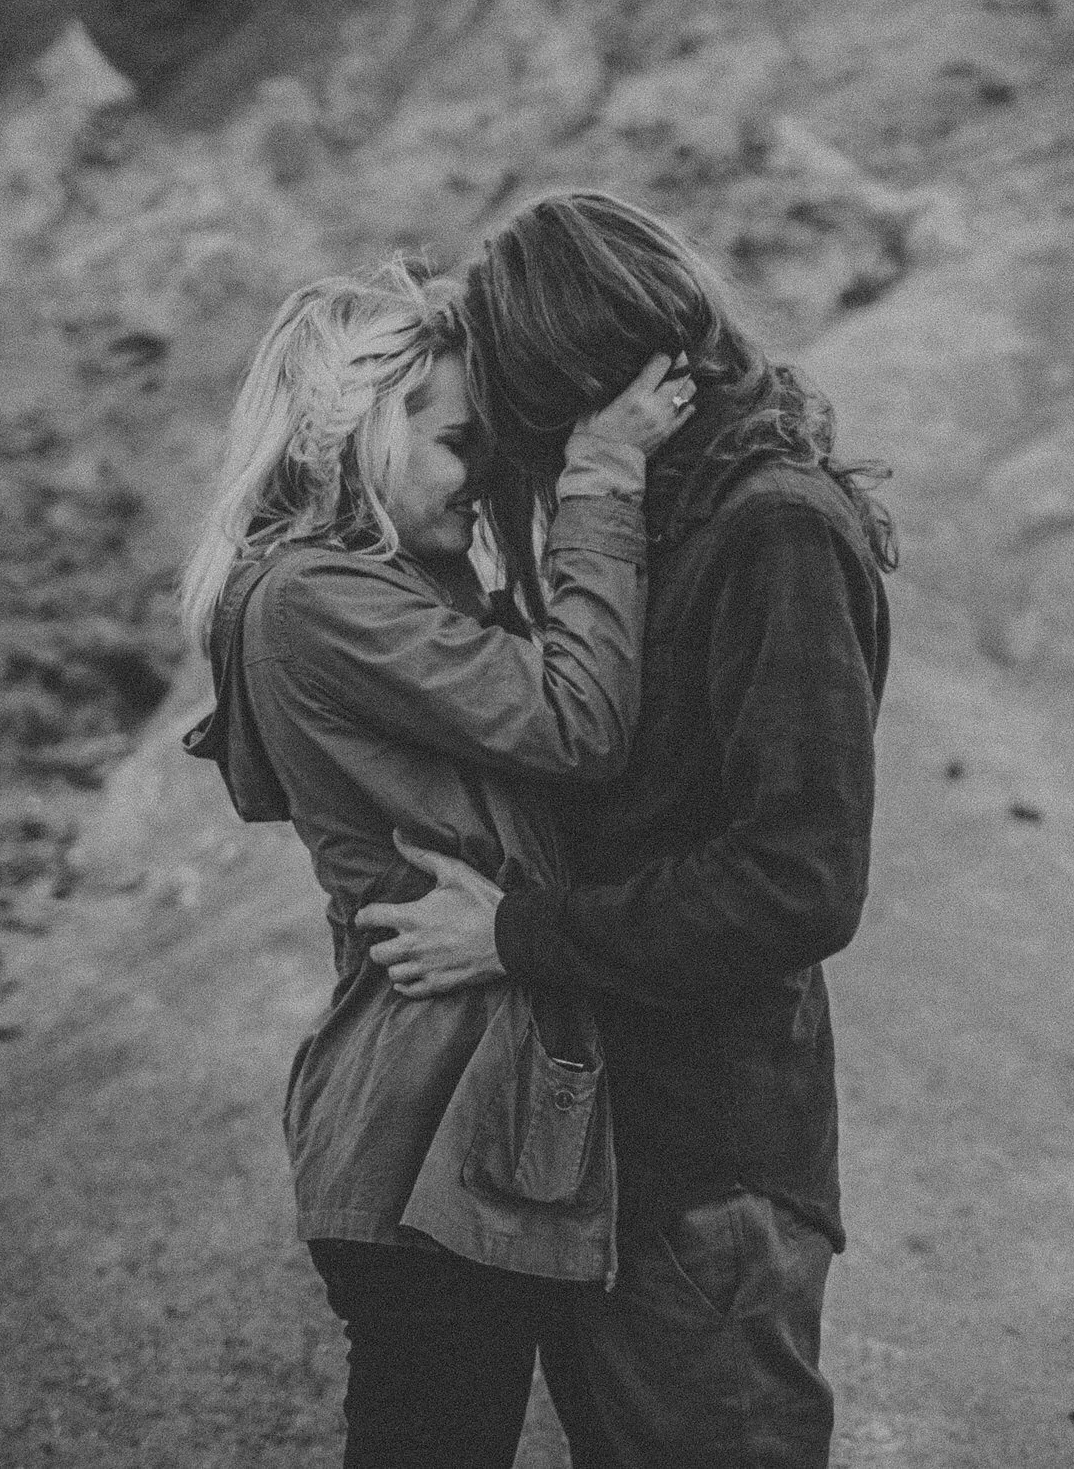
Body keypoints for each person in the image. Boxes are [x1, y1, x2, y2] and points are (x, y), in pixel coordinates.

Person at [358, 192, 895, 1469]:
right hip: (635, 1150)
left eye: (518, 426)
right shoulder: (678, 519)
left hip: (714, 1171)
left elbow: (799, 881)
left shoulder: (773, 530)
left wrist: (511, 933)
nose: (510, 467)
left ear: (582, 389)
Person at [175, 260, 693, 1469]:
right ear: (358, 430)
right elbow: (578, 722)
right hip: (424, 1121)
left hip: (456, 1113)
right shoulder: (314, 597)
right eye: (460, 444)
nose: (483, 478)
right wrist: (606, 474)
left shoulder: (379, 587)